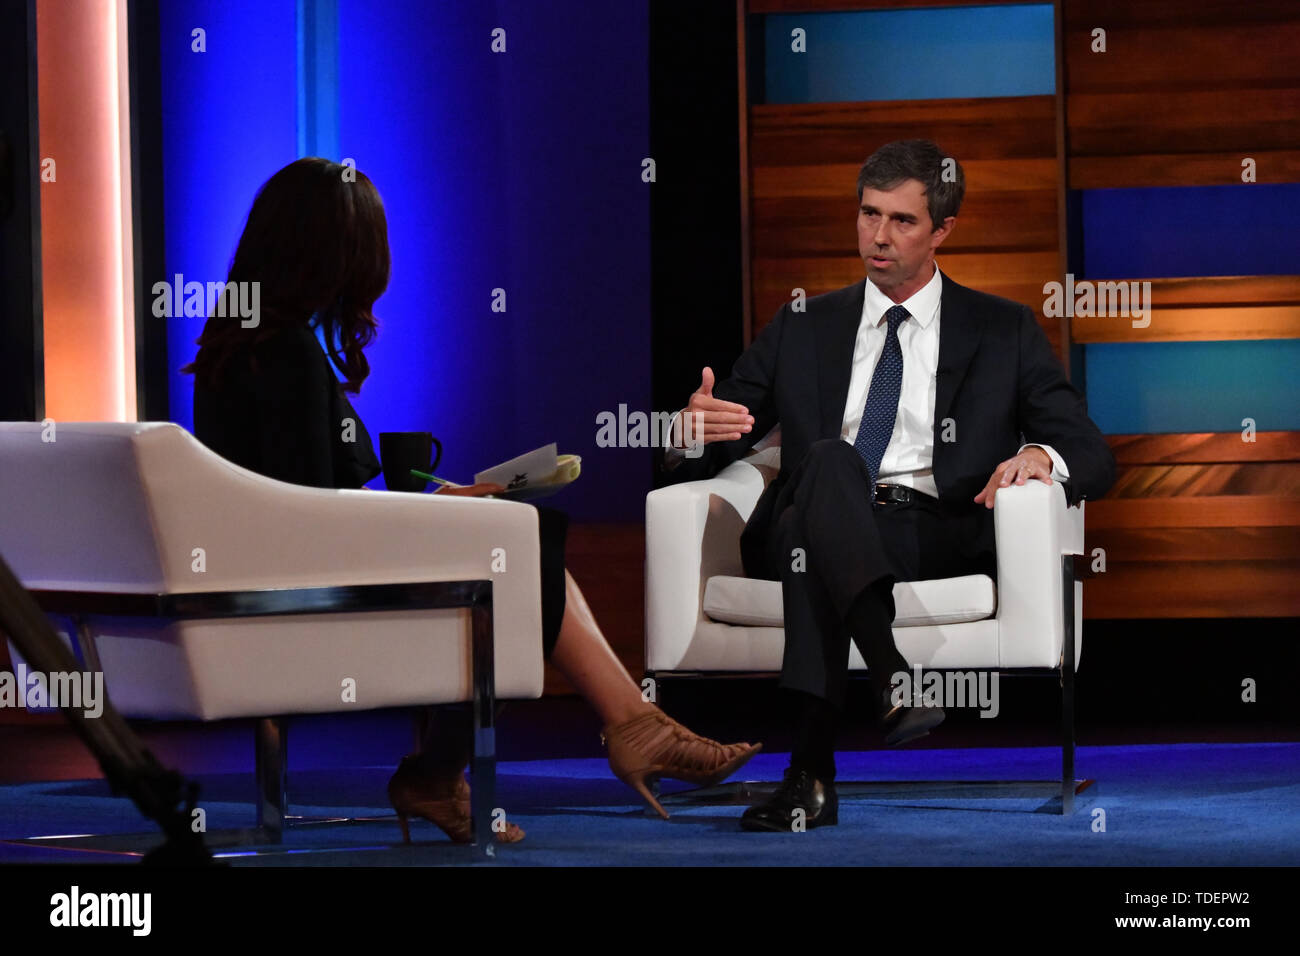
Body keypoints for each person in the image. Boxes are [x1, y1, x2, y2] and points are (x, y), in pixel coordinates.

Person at [183, 156, 759, 843]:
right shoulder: (288, 357)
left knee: (519, 542)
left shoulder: (238, 345)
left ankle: (616, 728)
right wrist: (441, 516)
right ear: (334, 252)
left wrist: (442, 502)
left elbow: (304, 502)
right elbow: (318, 513)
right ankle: (574, 740)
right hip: (304, 605)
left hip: (275, 582)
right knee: (518, 549)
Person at [664, 139, 1115, 832]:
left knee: (814, 526)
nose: (878, 236)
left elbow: (1091, 450)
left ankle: (811, 777)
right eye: (868, 214)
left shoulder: (1002, 328)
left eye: (902, 221)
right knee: (830, 465)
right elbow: (714, 434)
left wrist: (1040, 455)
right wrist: (689, 430)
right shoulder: (802, 323)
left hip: (926, 532)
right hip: (811, 514)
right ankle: (893, 675)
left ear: (943, 231)